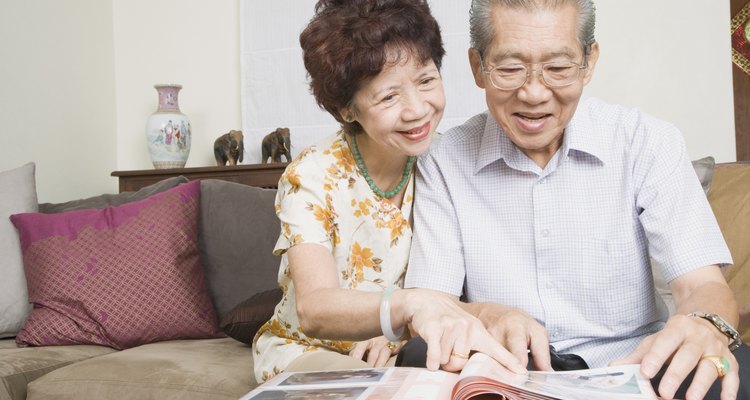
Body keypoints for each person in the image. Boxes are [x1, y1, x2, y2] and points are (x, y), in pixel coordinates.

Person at [404, 1, 749, 399]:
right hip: (510, 370)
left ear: (589, 61)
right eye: (511, 68)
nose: (534, 93)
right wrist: (487, 313)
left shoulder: (648, 142)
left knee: (727, 373)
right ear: (478, 67)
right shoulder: (443, 161)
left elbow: (703, 286)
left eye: (558, 68)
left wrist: (704, 325)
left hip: (638, 368)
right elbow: (431, 307)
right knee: (421, 355)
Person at [252, 0, 525, 384]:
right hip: (311, 351)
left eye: (426, 80)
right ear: (348, 110)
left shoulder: (446, 161)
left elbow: (457, 288)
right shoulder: (313, 175)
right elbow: (314, 308)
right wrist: (403, 311)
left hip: (403, 350)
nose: (416, 110)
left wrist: (403, 333)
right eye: (388, 97)